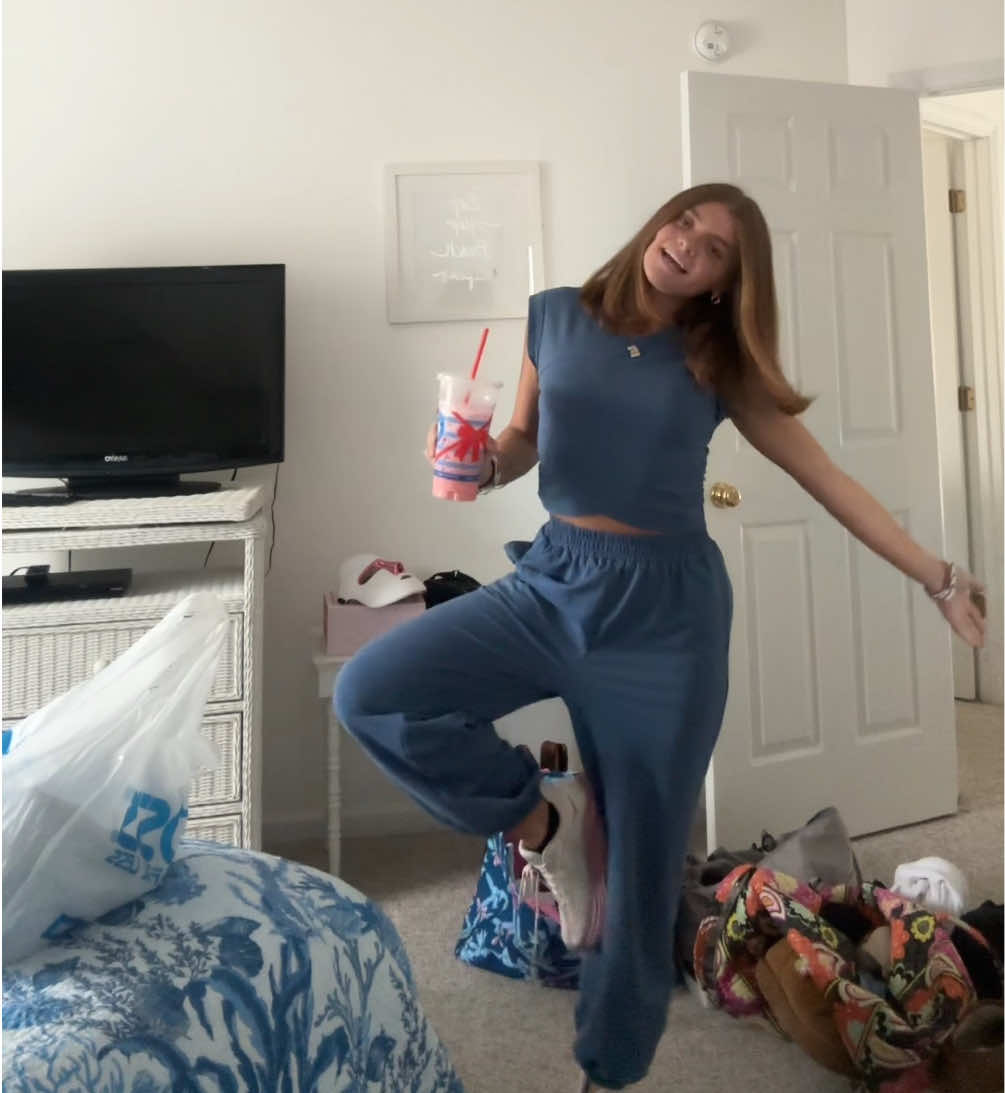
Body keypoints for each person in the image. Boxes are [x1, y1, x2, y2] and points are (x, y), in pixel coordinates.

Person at [335, 182, 987, 1092]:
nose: (687, 244)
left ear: (723, 281)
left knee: (638, 881)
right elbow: (522, 437)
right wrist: (480, 462)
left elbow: (826, 478)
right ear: (659, 221)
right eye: (685, 222)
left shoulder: (714, 358)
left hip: (667, 620)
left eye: (714, 248)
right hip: (555, 580)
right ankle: (548, 822)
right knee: (374, 692)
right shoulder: (555, 315)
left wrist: (937, 575)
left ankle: (607, 1070)